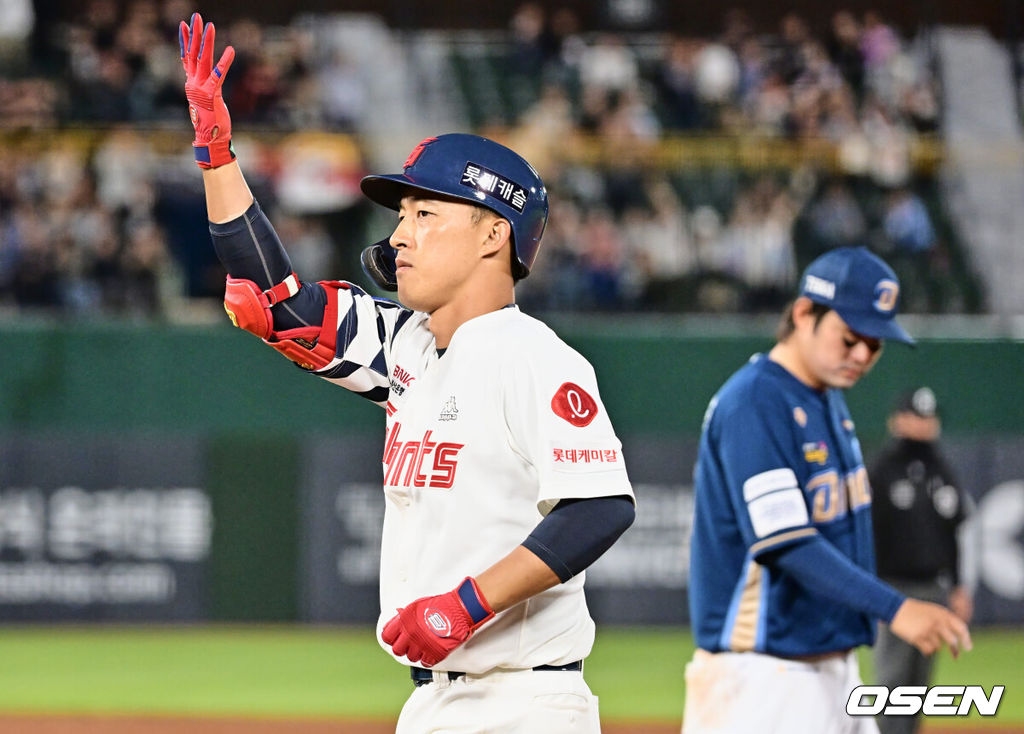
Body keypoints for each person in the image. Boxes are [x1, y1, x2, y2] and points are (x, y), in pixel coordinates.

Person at [178, 13, 635, 734]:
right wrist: (216, 156)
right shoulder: (409, 346)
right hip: (433, 701)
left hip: (522, 701)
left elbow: (602, 507)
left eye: (425, 212)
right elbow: (283, 304)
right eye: (403, 215)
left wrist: (468, 605)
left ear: (494, 235)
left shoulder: (533, 356)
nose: (399, 234)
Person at [683, 246, 972, 734]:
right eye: (850, 337)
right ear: (803, 314)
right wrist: (895, 607)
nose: (862, 354)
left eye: (875, 343)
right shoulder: (756, 400)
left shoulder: (827, 399)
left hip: (830, 670)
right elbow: (786, 542)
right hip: (766, 675)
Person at [870, 386, 973, 734]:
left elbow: (952, 534)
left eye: (929, 418)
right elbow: (867, 534)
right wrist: (873, 592)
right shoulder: (882, 469)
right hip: (893, 588)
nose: (923, 425)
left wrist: (958, 586)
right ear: (897, 420)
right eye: (916, 416)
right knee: (890, 679)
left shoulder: (941, 469)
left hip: (932, 587)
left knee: (918, 684)